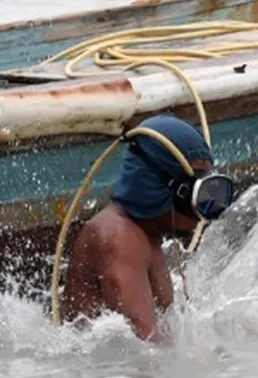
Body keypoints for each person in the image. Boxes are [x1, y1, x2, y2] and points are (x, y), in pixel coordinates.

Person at [61, 114, 235, 343]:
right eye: (202, 196)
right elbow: (148, 350)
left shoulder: (146, 235)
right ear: (166, 190)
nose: (206, 211)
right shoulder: (120, 237)